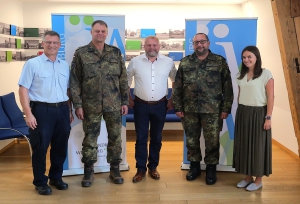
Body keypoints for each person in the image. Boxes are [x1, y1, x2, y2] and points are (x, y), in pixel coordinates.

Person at [70, 20, 128, 186]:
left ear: (107, 32)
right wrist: (78, 105)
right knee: (90, 139)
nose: (100, 34)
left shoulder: (115, 53)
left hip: (114, 104)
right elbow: (75, 81)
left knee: (115, 137)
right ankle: (88, 172)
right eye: (97, 31)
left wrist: (124, 101)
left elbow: (123, 78)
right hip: (90, 105)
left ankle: (115, 169)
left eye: (103, 31)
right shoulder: (81, 53)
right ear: (91, 32)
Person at [172, 33, 233, 185]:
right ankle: (194, 167)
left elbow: (228, 87)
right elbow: (177, 87)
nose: (199, 45)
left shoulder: (219, 61)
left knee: (212, 141)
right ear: (193, 45)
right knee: (191, 141)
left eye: (202, 42)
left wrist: (226, 108)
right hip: (189, 110)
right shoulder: (185, 63)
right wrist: (178, 106)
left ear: (208, 43)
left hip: (212, 110)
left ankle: (211, 169)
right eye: (196, 42)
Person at [18, 30, 73, 195]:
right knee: (40, 147)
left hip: (62, 109)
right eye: (49, 42)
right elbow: (23, 89)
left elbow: (68, 90)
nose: (52, 45)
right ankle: (40, 182)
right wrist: (28, 113)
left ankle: (56, 178)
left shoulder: (64, 65)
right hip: (41, 110)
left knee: (60, 147)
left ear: (59, 45)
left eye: (55, 43)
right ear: (43, 44)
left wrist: (69, 110)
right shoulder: (32, 64)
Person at [127, 36, 177, 183]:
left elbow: (175, 80)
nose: (152, 48)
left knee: (156, 138)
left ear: (159, 46)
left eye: (154, 45)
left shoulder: (168, 62)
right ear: (144, 47)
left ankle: (153, 167)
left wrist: (172, 99)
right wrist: (129, 98)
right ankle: (140, 169)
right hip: (140, 105)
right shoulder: (135, 62)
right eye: (148, 45)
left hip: (161, 105)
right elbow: (126, 81)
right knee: (141, 138)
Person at [233, 45, 274, 191]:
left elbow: (270, 97)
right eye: (244, 57)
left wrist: (268, 117)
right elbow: (240, 94)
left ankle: (258, 180)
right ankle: (247, 177)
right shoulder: (240, 75)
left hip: (259, 113)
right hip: (244, 112)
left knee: (257, 146)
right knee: (244, 145)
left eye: (249, 56)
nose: (246, 60)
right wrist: (240, 112)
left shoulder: (266, 74)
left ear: (257, 57)